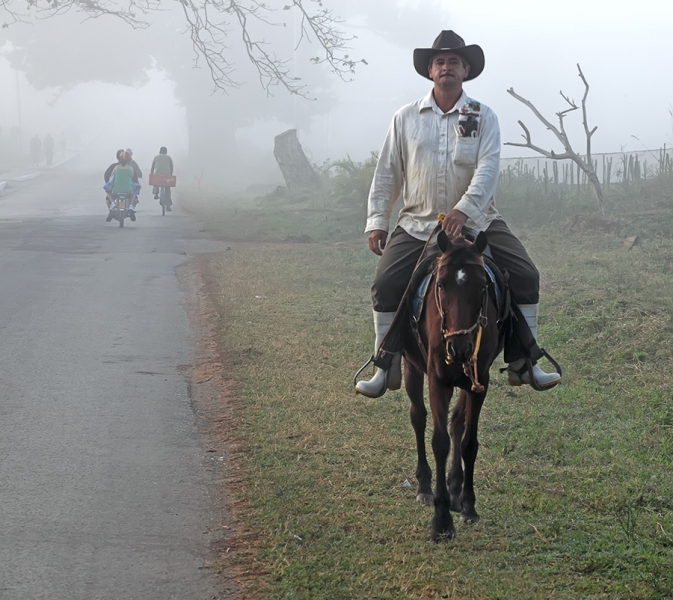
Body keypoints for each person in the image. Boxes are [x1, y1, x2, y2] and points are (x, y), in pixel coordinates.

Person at [354, 30, 561, 398]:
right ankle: (384, 365)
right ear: (430, 71)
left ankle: (523, 362)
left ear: (466, 69)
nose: (446, 67)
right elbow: (387, 172)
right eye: (439, 61)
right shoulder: (405, 118)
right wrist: (377, 221)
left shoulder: (483, 117)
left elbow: (488, 169)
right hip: (418, 223)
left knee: (526, 275)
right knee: (386, 284)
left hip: (479, 221)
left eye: (453, 61)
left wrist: (464, 211)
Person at [104, 151, 140, 222]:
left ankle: (113, 205)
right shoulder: (131, 168)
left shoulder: (115, 167)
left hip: (116, 192)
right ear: (129, 160)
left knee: (107, 192)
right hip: (128, 192)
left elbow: (110, 177)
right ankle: (130, 206)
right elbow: (134, 179)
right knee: (134, 193)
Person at [150, 146, 174, 210]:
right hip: (167, 176)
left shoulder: (156, 157)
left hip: (157, 175)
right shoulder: (169, 158)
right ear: (166, 152)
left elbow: (152, 167)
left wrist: (152, 174)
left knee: (156, 181)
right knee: (167, 189)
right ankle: (168, 205)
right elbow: (171, 167)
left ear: (159, 151)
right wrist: (170, 175)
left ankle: (156, 192)